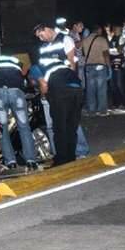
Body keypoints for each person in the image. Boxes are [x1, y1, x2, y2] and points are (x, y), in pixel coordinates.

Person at [33, 23, 84, 166]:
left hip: (61, 87)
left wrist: (45, 92)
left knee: (60, 126)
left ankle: (62, 159)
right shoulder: (43, 48)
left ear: (47, 29)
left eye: (41, 35)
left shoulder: (65, 39)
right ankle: (70, 157)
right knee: (70, 126)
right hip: (73, 87)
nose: (41, 39)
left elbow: (72, 62)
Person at [0, 55, 38, 171]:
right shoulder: (17, 64)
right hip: (17, 94)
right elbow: (25, 79)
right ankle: (31, 161)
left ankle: (10, 162)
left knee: (2, 130)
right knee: (24, 127)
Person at [28, 65, 90, 159]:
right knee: (72, 126)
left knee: (58, 127)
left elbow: (43, 85)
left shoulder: (35, 69)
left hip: (61, 91)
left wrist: (44, 98)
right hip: (77, 90)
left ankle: (62, 158)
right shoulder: (60, 63)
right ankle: (75, 154)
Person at [81, 24, 111, 116]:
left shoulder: (85, 40)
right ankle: (102, 110)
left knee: (90, 90)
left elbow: (83, 53)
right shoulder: (102, 40)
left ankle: (91, 110)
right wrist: (109, 67)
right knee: (101, 89)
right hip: (100, 66)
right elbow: (106, 54)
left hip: (89, 67)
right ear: (98, 30)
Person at [108, 24, 125, 109]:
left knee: (120, 83)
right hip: (112, 63)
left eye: (118, 29)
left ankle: (123, 102)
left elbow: (121, 50)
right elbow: (108, 50)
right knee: (113, 84)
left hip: (120, 63)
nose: (116, 30)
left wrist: (116, 50)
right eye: (115, 29)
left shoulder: (122, 38)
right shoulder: (111, 38)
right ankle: (115, 102)